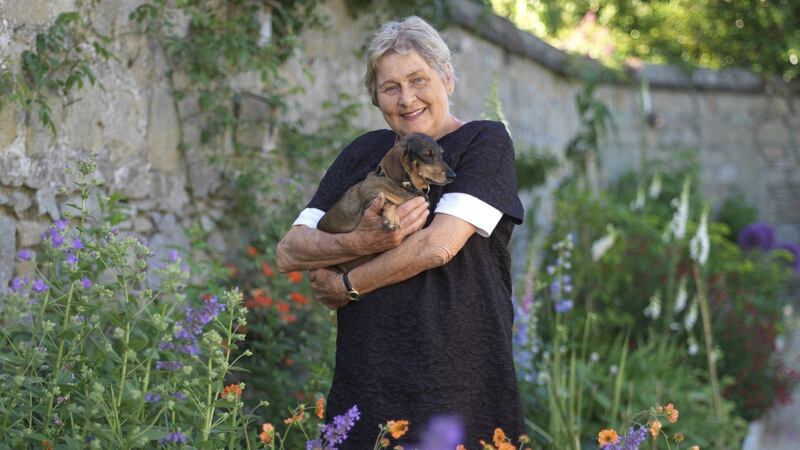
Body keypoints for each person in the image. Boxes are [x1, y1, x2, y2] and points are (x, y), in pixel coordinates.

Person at [276, 15, 525, 449]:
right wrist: (359, 242)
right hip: (368, 375)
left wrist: (347, 284)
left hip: (455, 377)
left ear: (446, 79)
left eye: (418, 79)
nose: (407, 99)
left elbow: (437, 245)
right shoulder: (362, 153)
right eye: (391, 87)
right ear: (376, 97)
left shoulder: (483, 144)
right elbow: (290, 249)